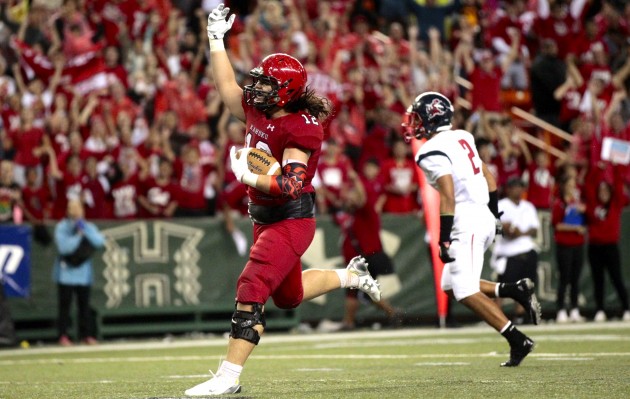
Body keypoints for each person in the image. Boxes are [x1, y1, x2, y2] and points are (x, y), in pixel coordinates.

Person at [185, 4, 382, 396]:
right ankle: (351, 275)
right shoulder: (259, 107)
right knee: (289, 297)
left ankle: (228, 378)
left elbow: (291, 184)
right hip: (263, 216)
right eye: (256, 81)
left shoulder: (300, 127)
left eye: (265, 84)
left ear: (286, 92)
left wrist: (249, 176)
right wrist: (215, 39)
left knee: (253, 282)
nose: (255, 88)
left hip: (291, 218)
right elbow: (227, 90)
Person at [401, 91, 540, 367]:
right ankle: (513, 290)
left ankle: (517, 340)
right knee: (451, 287)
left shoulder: (430, 151)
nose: (413, 124)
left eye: (417, 118)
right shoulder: (463, 136)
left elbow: (448, 195)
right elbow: (489, 176)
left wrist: (443, 239)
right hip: (482, 215)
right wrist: (494, 215)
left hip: (467, 220)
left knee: (464, 291)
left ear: (430, 117)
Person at [338, 168, 402, 331]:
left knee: (354, 289)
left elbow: (362, 198)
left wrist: (355, 179)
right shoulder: (352, 216)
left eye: (353, 194)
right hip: (362, 258)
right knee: (366, 289)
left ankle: (349, 322)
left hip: (370, 257)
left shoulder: (367, 210)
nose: (350, 197)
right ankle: (391, 313)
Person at [54, 198, 105, 346]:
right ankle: (63, 335)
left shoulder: (88, 226)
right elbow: (64, 248)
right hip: (66, 274)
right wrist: (78, 235)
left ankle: (86, 334)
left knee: (84, 306)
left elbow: (99, 241)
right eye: (72, 208)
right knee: (65, 306)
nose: (75, 211)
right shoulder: (62, 227)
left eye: (78, 208)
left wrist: (85, 229)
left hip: (83, 274)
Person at [584, 164, 630, 322]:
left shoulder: (616, 205)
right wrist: (597, 169)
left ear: (610, 192)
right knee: (598, 280)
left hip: (611, 247)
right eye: (601, 191)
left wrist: (615, 168)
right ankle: (599, 310)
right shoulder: (592, 204)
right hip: (595, 247)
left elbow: (618, 187)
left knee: (617, 278)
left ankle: (626, 308)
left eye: (606, 190)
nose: (603, 193)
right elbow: (588, 185)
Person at [491, 177, 540, 324]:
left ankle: (519, 317)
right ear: (508, 189)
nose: (518, 190)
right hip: (508, 253)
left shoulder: (528, 206)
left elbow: (534, 229)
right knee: (502, 288)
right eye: (515, 187)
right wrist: (509, 230)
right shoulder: (500, 205)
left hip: (527, 250)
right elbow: (499, 229)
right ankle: (495, 317)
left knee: (525, 287)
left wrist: (519, 233)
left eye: (520, 187)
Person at [551, 176, 587, 323]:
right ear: (564, 186)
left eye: (574, 184)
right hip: (564, 244)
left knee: (575, 279)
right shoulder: (559, 204)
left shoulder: (577, 203)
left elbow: (587, 220)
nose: (572, 187)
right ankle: (560, 310)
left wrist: (584, 211)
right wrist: (574, 228)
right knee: (564, 278)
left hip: (578, 244)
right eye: (570, 184)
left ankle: (574, 310)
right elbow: (557, 225)